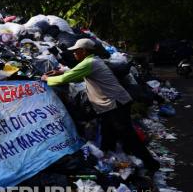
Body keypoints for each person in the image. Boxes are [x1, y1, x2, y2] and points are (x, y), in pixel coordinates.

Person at [41, 38, 160, 172]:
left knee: (127, 136)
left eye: (76, 51)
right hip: (112, 104)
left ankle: (151, 164)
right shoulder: (92, 61)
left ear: (84, 51)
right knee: (108, 133)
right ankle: (108, 160)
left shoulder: (89, 62)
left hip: (116, 104)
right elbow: (78, 75)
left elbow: (67, 78)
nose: (74, 53)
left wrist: (48, 79)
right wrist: (60, 72)